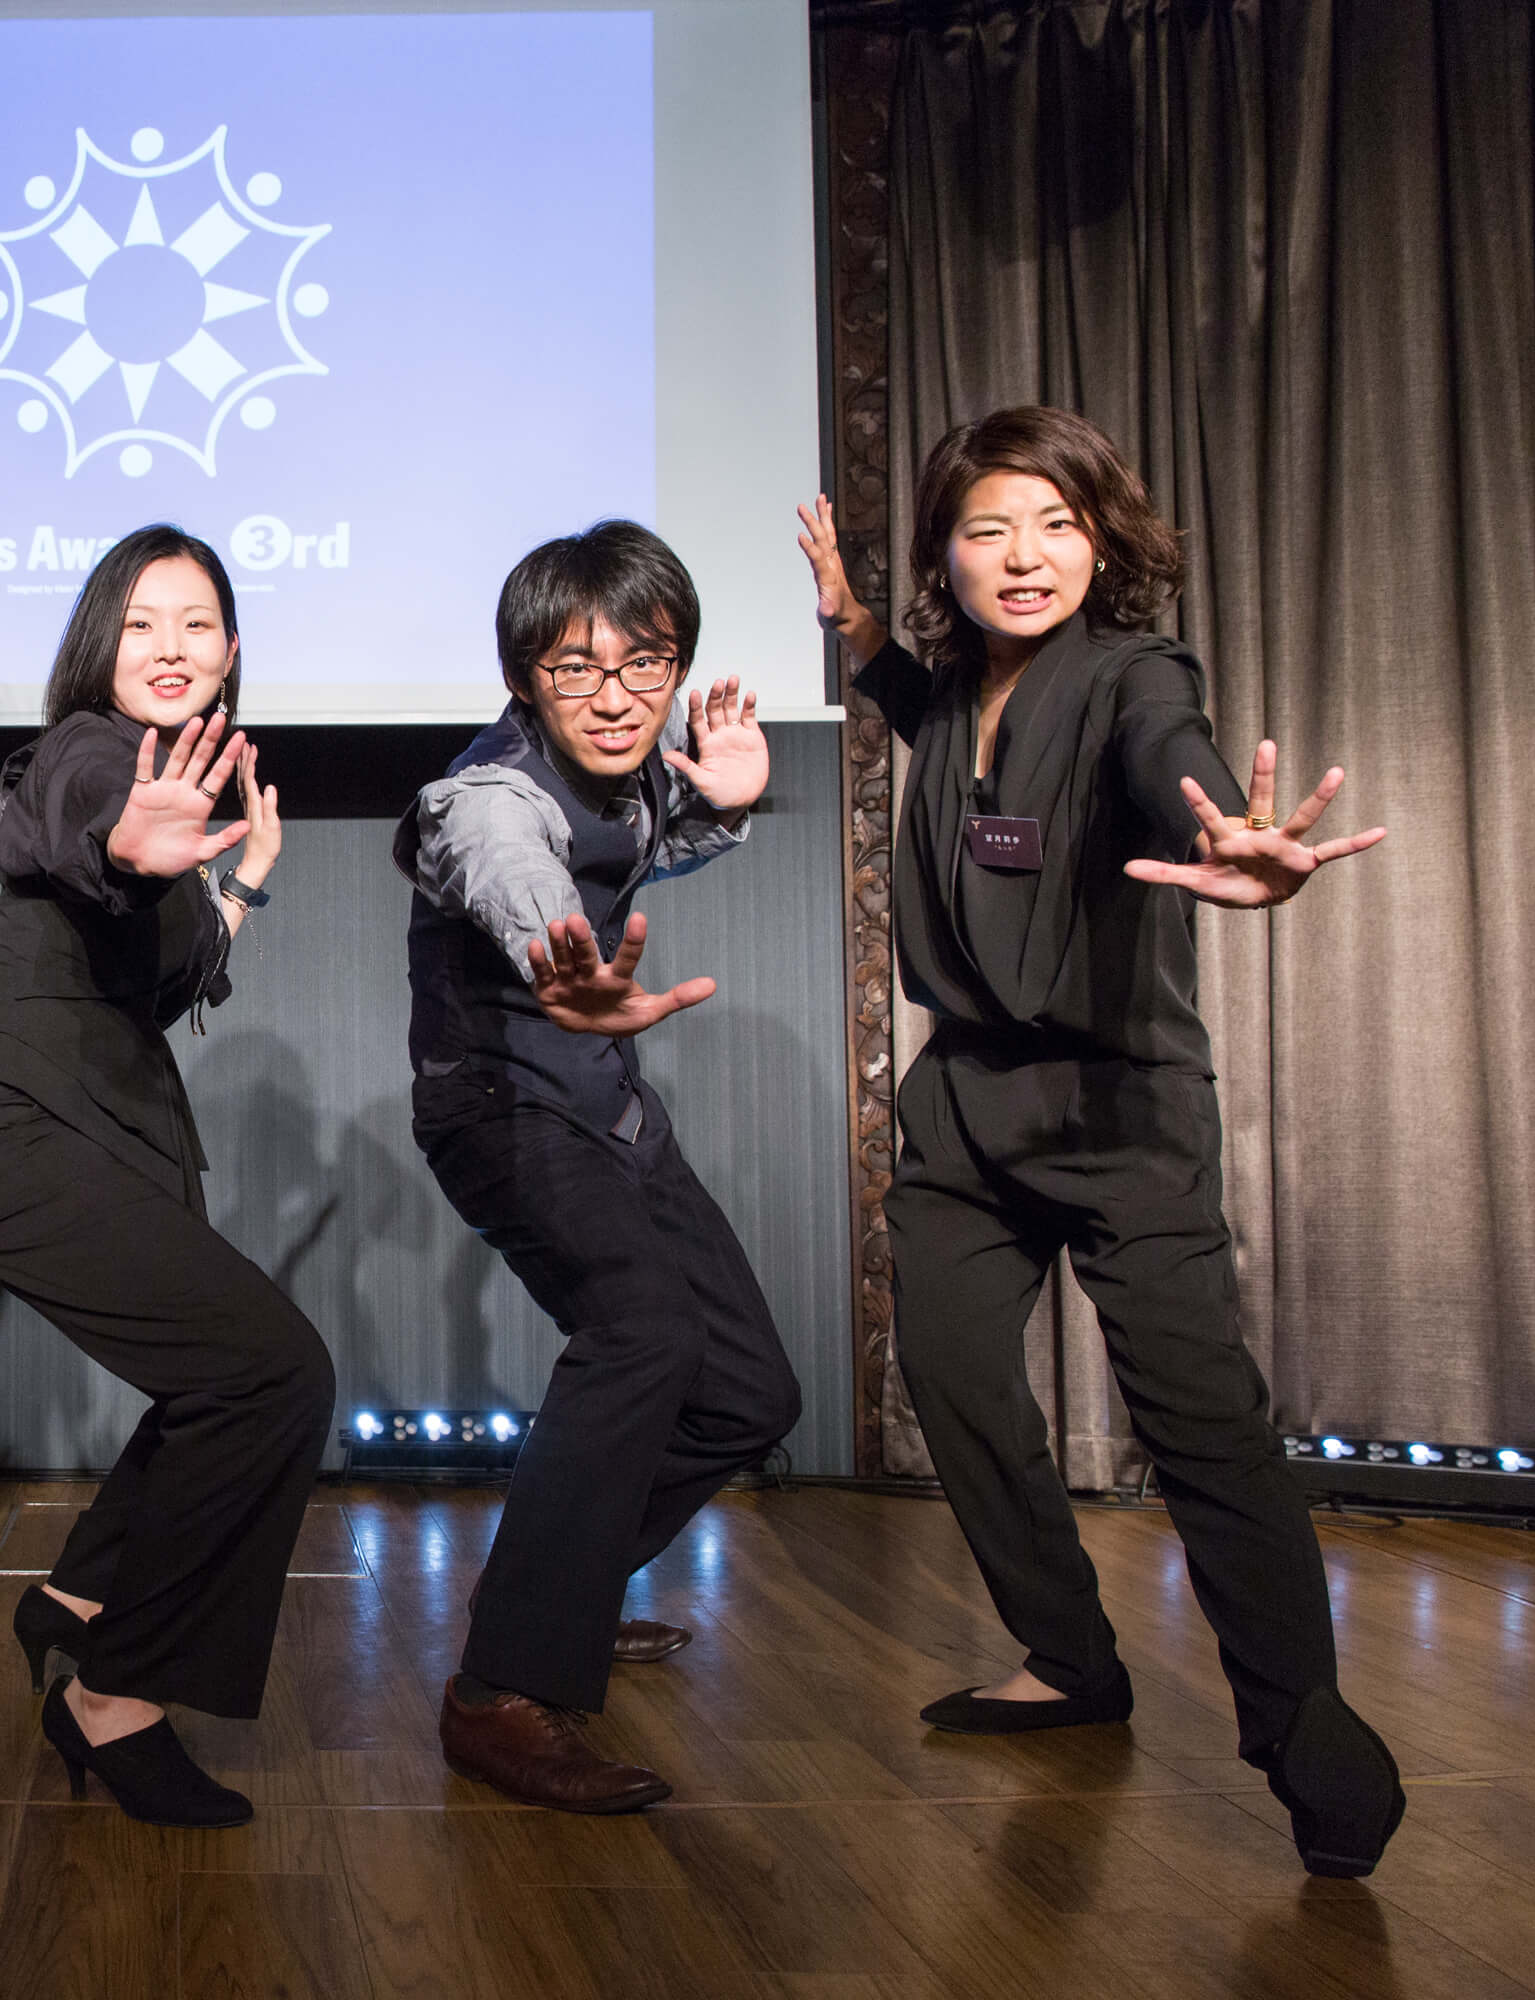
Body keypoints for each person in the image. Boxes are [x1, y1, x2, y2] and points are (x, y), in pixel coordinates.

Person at [798, 404, 1402, 1877]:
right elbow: (921, 711)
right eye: (989, 528)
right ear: (947, 553)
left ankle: (1304, 1726)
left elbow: (1168, 758)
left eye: (1056, 525)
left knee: (1201, 1424)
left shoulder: (1138, 674)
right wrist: (857, 628)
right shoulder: (955, 692)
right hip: (965, 1107)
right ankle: (1069, 1657)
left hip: (1119, 1109)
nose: (1025, 556)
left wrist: (1226, 839)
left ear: (1101, 541)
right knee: (951, 1374)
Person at [0, 526, 330, 1830]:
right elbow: (90, 822)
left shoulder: (174, 798)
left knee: (221, 1384)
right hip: (16, 1126)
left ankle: (76, 1599)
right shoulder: (86, 755)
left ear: (231, 652)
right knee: (273, 1376)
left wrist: (234, 884)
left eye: (196, 625)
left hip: (79, 1131)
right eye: (141, 623)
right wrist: (134, 844)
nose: (170, 648)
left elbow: (163, 970)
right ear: (100, 643)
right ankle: (111, 1699)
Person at [397, 520, 802, 1813]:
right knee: (641, 1335)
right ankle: (500, 1689)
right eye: (577, 668)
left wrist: (725, 802)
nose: (617, 696)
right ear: (525, 678)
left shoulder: (633, 769)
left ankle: (548, 1590)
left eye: (647, 664)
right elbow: (510, 867)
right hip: (501, 1110)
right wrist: (558, 955)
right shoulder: (486, 794)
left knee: (751, 1394)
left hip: (612, 1110)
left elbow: (644, 835)